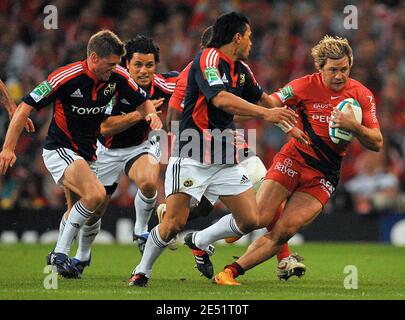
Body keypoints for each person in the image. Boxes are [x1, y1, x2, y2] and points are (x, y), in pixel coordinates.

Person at [128, 12, 303, 287]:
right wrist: (173, 146)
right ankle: (141, 270)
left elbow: (264, 99)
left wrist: (288, 125)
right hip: (193, 153)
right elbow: (220, 99)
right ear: (237, 37)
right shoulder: (207, 60)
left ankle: (199, 239)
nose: (251, 43)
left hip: (224, 156)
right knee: (174, 222)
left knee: (251, 219)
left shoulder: (241, 69)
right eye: (249, 37)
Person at [213, 35, 384, 285]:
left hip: (324, 176)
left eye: (344, 69)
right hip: (293, 159)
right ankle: (233, 221)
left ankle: (229, 272)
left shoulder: (361, 94)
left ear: (351, 65)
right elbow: (269, 105)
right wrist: (224, 118)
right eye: (333, 70)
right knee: (257, 218)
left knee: (284, 231)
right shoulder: (303, 86)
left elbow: (377, 142)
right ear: (320, 68)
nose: (339, 76)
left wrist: (354, 127)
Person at [0, 30, 162, 279]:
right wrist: (9, 148)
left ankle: (73, 256)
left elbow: (144, 100)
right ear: (95, 58)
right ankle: (60, 253)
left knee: (90, 208)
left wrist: (150, 114)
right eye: (110, 64)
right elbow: (26, 106)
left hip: (89, 153)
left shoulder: (117, 76)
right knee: (95, 194)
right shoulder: (66, 77)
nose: (114, 69)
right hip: (61, 149)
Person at [68, 35, 178, 275]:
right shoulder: (112, 85)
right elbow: (105, 127)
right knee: (95, 209)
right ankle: (82, 256)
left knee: (150, 182)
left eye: (149, 65)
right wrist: (140, 114)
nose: (144, 70)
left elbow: (192, 81)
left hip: (141, 146)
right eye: (137, 64)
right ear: (126, 64)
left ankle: (140, 231)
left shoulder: (164, 85)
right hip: (105, 151)